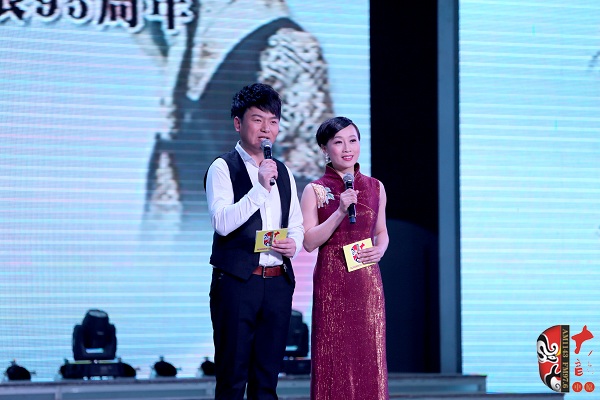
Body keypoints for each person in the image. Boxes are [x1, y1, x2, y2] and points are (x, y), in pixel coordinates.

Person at [204, 83, 304, 400]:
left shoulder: (283, 172)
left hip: (276, 283)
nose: (266, 129)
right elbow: (222, 223)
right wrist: (260, 188)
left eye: (273, 121)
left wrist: (294, 243)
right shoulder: (222, 168)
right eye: (257, 119)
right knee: (232, 379)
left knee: (266, 381)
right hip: (237, 282)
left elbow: (296, 224)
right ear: (238, 123)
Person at [300, 116, 390, 400]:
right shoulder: (314, 190)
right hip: (332, 283)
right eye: (338, 142)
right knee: (334, 357)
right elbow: (309, 242)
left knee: (369, 357)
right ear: (324, 149)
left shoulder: (376, 187)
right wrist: (340, 211)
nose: (347, 148)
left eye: (353, 140)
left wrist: (380, 249)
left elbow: (382, 231)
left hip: (367, 284)